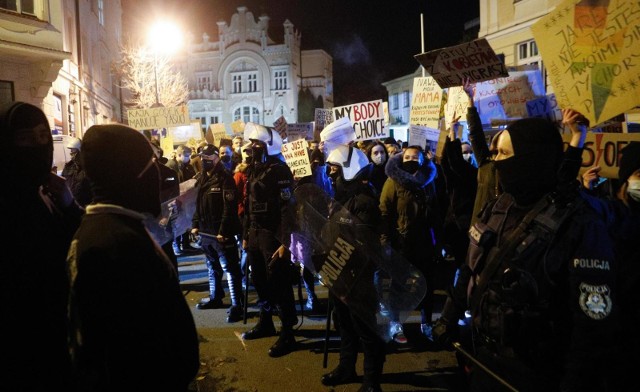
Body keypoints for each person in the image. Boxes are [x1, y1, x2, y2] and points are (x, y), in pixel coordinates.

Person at [433, 116, 618, 392]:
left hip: (539, 373)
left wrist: (575, 381)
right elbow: (471, 265)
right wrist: (449, 316)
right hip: (485, 361)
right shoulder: (498, 207)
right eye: (495, 153)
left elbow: (591, 326)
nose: (496, 161)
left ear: (532, 158)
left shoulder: (579, 223)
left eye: (504, 154)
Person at [66, 123, 199, 391]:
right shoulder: (114, 244)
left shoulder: (114, 230)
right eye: (151, 166)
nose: (159, 177)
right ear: (130, 176)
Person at [0, 101, 83, 391]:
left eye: (42, 136)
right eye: (25, 138)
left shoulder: (44, 192)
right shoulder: (10, 204)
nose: (38, 145)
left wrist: (69, 205)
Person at [320, 144, 386, 392]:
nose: (330, 175)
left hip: (358, 278)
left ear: (349, 170)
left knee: (366, 331)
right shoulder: (341, 199)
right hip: (339, 273)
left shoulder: (364, 201)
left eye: (334, 169)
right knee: (344, 325)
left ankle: (372, 381)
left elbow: (363, 245)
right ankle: (346, 367)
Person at [241, 122, 299, 358]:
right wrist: (246, 235)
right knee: (259, 280)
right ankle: (266, 321)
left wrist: (286, 242)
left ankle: (288, 332)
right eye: (251, 143)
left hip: (272, 233)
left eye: (256, 144)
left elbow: (288, 208)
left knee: (279, 282)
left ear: (268, 145)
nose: (251, 148)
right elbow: (248, 204)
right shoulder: (254, 168)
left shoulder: (280, 169)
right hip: (255, 232)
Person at [379, 145, 439, 343]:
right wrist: (385, 241)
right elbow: (385, 212)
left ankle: (426, 323)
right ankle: (396, 322)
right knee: (399, 285)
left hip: (424, 243)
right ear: (401, 159)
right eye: (407, 156)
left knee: (427, 285)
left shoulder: (429, 181)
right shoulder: (393, 181)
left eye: (415, 156)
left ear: (422, 160)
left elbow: (438, 208)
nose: (411, 159)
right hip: (402, 243)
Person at [191, 144, 244, 322]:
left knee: (230, 267)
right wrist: (195, 224)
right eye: (202, 158)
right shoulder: (201, 179)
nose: (204, 161)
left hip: (221, 233)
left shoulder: (225, 178)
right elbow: (197, 204)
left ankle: (237, 304)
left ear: (216, 158)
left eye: (207, 158)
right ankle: (215, 297)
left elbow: (229, 208)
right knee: (212, 266)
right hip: (206, 232)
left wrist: (224, 230)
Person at [166, 144, 200, 255]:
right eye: (187, 155)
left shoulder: (186, 165)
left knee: (184, 222)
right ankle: (177, 245)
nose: (189, 158)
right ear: (179, 154)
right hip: (174, 199)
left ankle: (185, 244)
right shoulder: (171, 166)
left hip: (185, 199)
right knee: (176, 223)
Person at [61, 136, 92, 207]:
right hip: (70, 207)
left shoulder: (88, 169)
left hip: (84, 208)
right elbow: (63, 185)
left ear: (80, 152)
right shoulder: (68, 167)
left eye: (73, 151)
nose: (71, 154)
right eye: (71, 151)